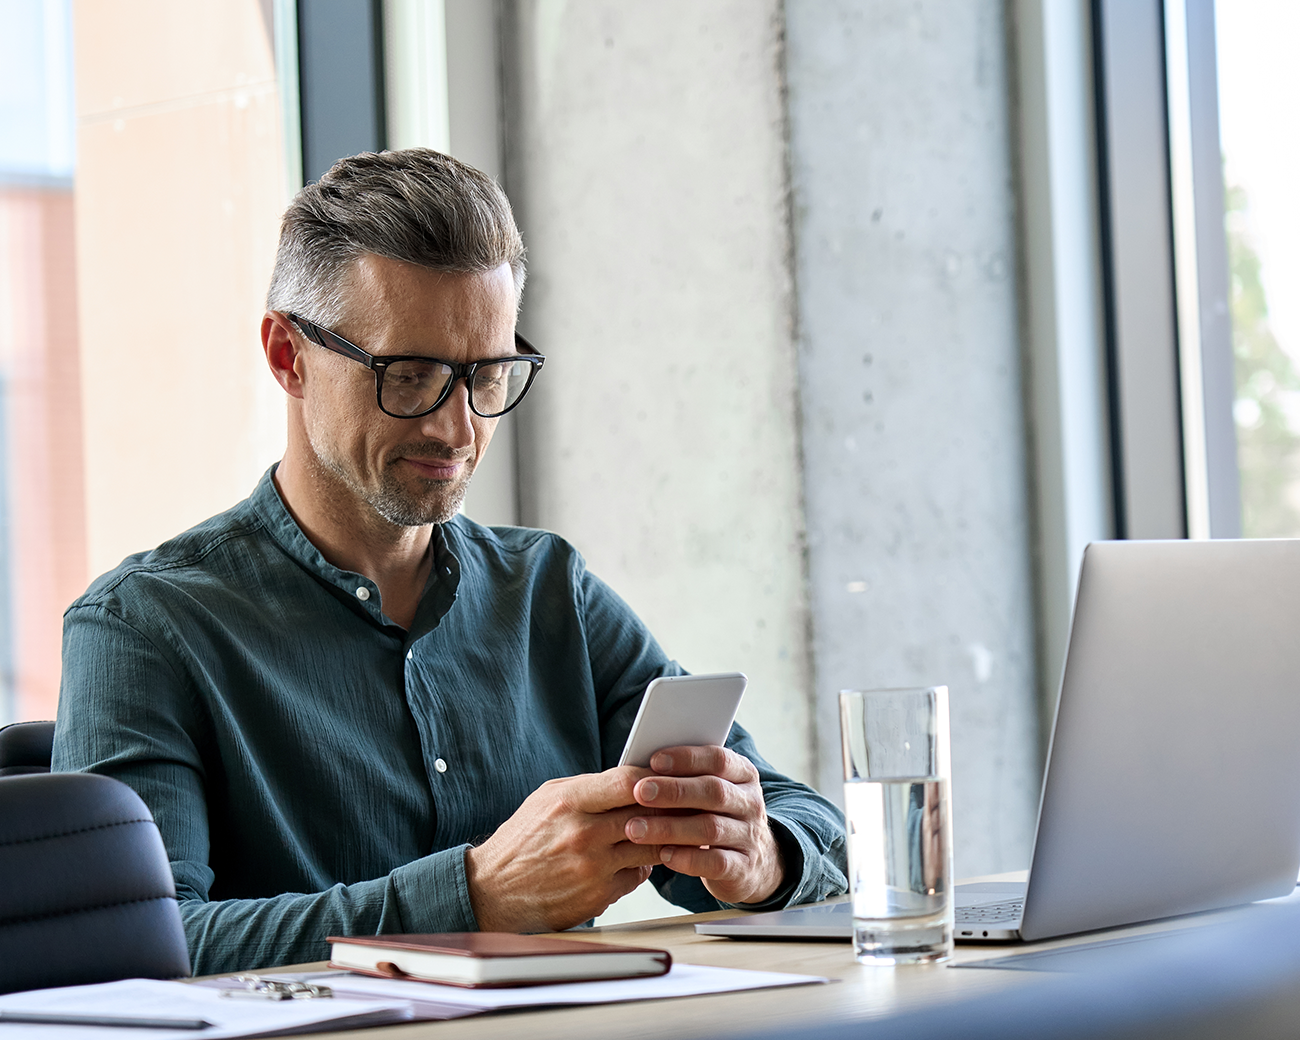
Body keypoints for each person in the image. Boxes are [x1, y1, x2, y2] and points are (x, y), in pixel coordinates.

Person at [53, 149, 847, 975]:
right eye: (412, 375)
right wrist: (473, 897)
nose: (457, 428)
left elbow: (799, 817)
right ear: (289, 356)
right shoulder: (145, 628)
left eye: (487, 375)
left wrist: (756, 858)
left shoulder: (550, 593)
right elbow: (135, 946)